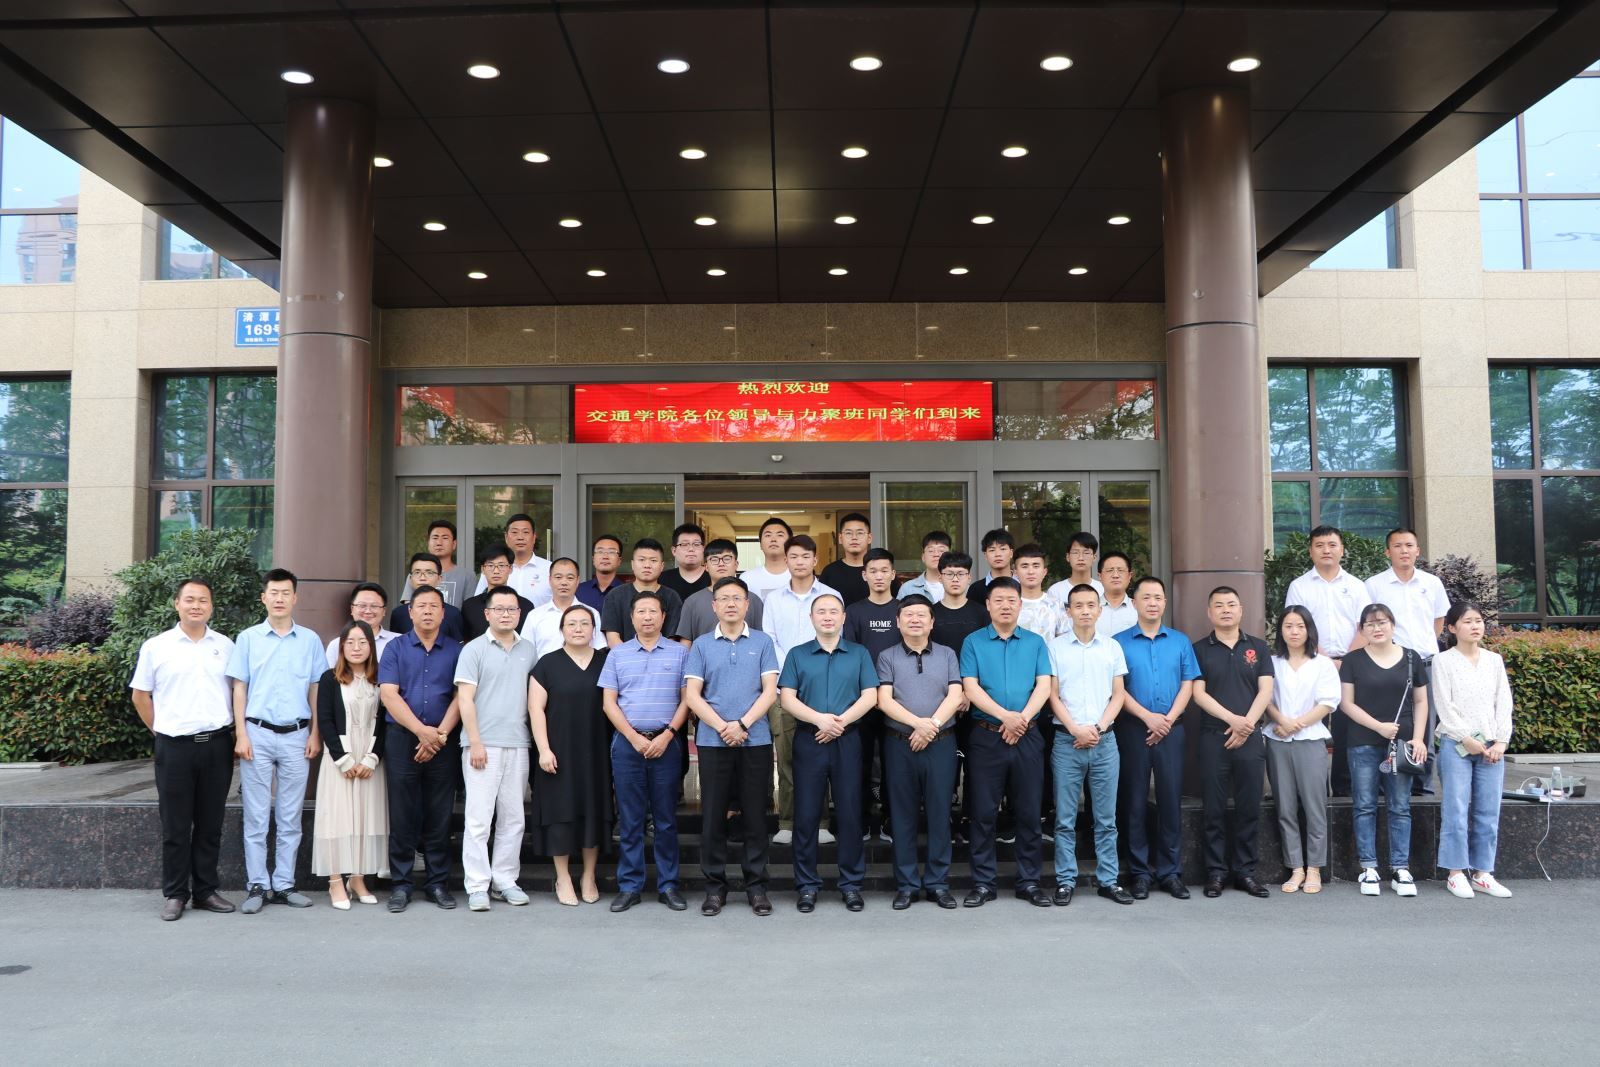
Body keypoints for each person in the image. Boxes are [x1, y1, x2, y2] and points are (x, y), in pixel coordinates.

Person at [130, 577, 238, 921]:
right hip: (174, 747)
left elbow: (237, 691)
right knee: (175, 826)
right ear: (177, 604)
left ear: (211, 606)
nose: (196, 606)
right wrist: (162, 730)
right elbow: (140, 696)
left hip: (217, 745)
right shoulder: (156, 646)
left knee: (210, 823)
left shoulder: (225, 645)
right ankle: (175, 893)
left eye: (203, 600)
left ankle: (205, 891)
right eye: (189, 599)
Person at [228, 568, 326, 915]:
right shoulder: (248, 638)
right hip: (257, 734)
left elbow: (316, 689)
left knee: (290, 816)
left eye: (286, 593)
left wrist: (315, 732)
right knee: (256, 815)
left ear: (295, 598)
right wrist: (241, 733)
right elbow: (239, 687)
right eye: (274, 592)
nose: (280, 598)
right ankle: (258, 884)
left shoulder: (310, 640)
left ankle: (284, 884)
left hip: (297, 736)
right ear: (264, 598)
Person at [685, 576, 781, 917]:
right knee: (713, 816)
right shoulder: (701, 645)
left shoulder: (762, 642)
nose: (730, 604)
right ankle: (715, 888)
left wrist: (741, 725)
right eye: (723, 598)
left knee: (755, 815)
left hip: (754, 740)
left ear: (747, 605)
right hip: (713, 741)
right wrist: (722, 726)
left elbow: (769, 691)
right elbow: (692, 695)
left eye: (736, 598)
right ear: (714, 606)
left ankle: (756, 887)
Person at [780, 593, 879, 913]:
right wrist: (819, 720)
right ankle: (807, 885)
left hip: (847, 740)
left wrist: (839, 723)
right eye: (820, 611)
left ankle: (851, 885)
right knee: (806, 815)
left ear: (843, 618)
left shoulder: (859, 653)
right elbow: (787, 699)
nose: (827, 616)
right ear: (811, 618)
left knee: (850, 814)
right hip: (809, 739)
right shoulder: (797, 654)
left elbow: (870, 696)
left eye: (833, 611)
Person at [959, 577, 1054, 909]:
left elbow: (1044, 685)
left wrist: (1021, 719)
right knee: (983, 813)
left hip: (1028, 735)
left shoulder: (1035, 642)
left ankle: (1029, 881)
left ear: (1020, 605)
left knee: (1029, 812)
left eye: (1011, 600)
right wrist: (1005, 717)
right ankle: (983, 883)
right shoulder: (973, 642)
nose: (1005, 606)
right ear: (987, 605)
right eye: (998, 600)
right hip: (986, 736)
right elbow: (970, 687)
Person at [600, 592, 691, 912]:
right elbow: (609, 702)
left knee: (666, 819)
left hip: (666, 742)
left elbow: (687, 700)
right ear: (632, 617)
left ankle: (668, 885)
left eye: (653, 611)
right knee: (630, 819)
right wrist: (632, 737)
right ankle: (630, 886)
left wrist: (668, 735)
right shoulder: (618, 654)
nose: (647, 617)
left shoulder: (680, 654)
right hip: (627, 744)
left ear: (664, 617)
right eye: (641, 611)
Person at [1112, 576, 1201, 900]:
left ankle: (1170, 872)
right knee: (1134, 802)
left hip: (1171, 731)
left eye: (1158, 597)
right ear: (1134, 602)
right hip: (1133, 730)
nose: (1152, 603)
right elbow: (1116, 689)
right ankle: (1139, 873)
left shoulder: (1180, 641)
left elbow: (1189, 683)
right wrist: (1147, 717)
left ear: (1164, 603)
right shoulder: (1118, 643)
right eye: (1146, 597)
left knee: (1170, 801)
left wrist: (1168, 719)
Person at [377, 585, 461, 912]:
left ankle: (437, 883)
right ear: (410, 612)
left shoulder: (455, 650)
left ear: (443, 613)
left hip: (443, 740)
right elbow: (389, 695)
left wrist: (437, 736)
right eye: (421, 606)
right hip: (402, 739)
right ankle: (401, 884)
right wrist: (421, 732)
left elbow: (461, 697)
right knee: (402, 814)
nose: (427, 611)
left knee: (439, 815)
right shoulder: (395, 648)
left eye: (433, 606)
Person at [1046, 584, 1132, 906]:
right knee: (1064, 819)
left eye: (1090, 605)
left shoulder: (1112, 647)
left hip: (1104, 742)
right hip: (1066, 741)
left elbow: (1118, 694)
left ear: (1099, 610)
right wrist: (1075, 729)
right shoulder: (1055, 648)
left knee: (1106, 819)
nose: (1084, 610)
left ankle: (1108, 880)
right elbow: (1052, 694)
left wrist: (1097, 728)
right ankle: (1065, 880)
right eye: (1078, 605)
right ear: (1068, 611)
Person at [876, 595, 963, 910]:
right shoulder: (887, 656)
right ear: (898, 622)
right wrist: (918, 725)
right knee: (902, 816)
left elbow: (956, 694)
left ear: (932, 621)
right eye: (908, 615)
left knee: (940, 814)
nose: (915, 620)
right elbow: (883, 700)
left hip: (941, 743)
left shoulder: (947, 654)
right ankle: (907, 885)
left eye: (921, 615)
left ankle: (938, 884)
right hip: (900, 743)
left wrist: (932, 727)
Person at [455, 587, 538, 913]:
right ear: (487, 613)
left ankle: (505, 880)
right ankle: (477, 885)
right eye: (499, 608)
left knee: (513, 818)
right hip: (482, 745)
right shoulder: (473, 649)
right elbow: (465, 699)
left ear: (519, 613)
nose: (506, 614)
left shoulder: (528, 649)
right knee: (478, 819)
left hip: (518, 742)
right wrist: (475, 742)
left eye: (512, 609)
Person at [1339, 603, 1429, 898]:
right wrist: (1378, 727)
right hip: (1363, 741)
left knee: (1400, 806)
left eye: (1382, 622)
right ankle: (1368, 867)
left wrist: (1419, 738)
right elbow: (1346, 703)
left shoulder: (1412, 658)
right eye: (1370, 624)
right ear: (1361, 629)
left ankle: (1400, 868)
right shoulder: (1353, 660)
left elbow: (1421, 701)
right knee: (1364, 805)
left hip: (1402, 744)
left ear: (1393, 625)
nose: (1377, 628)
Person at [1191, 586, 1276, 900]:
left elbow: (1265, 690)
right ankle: (1215, 872)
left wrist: (1246, 725)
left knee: (1249, 807)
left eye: (1231, 604)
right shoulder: (1199, 649)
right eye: (1219, 605)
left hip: (1250, 737)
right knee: (1213, 809)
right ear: (1209, 612)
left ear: (1241, 610)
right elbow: (1198, 694)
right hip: (1213, 736)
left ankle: (1246, 872)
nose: (1225, 610)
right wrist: (1233, 720)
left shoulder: (1258, 647)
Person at [528, 604, 612, 906]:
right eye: (572, 623)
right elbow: (535, 708)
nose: (578, 629)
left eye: (584, 623)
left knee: (594, 809)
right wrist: (544, 749)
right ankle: (562, 877)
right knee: (559, 812)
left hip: (597, 749)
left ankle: (589, 875)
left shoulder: (606, 662)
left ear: (594, 630)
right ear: (562, 629)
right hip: (558, 750)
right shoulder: (547, 664)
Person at [1432, 601, 1515, 899]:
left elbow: (1503, 702)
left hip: (1492, 745)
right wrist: (1465, 737)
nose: (1475, 626)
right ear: (1452, 628)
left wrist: (1502, 741)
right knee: (1455, 808)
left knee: (1488, 810)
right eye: (1467, 621)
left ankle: (1483, 873)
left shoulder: (1494, 660)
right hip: (1456, 744)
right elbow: (1444, 704)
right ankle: (1455, 873)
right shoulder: (1443, 661)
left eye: (1478, 620)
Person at [762, 534, 841, 846]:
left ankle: (821, 822)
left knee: (820, 759)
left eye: (805, 556)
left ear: (815, 560)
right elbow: (769, 639)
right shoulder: (774, 599)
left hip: (821, 687)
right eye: (793, 556)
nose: (799, 562)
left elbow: (834, 637)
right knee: (786, 758)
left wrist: (808, 670)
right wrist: (793, 670)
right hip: (783, 689)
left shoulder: (831, 595)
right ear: (786, 560)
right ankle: (787, 821)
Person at [1285, 524, 1372, 794]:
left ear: (1342, 550)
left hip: (1351, 663)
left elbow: (1365, 626)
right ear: (1310, 551)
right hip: (1312, 663)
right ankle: (1315, 788)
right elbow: (1296, 626)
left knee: (1348, 727)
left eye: (1332, 545)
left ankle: (1344, 788)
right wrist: (1326, 661)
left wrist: (1345, 660)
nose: (1326, 550)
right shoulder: (1299, 586)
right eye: (1320, 545)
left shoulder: (1356, 586)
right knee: (1313, 726)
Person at [1367, 527, 1452, 796]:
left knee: (1425, 725)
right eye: (1397, 546)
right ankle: (1388, 784)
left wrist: (1423, 648)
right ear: (1387, 552)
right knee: (1391, 722)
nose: (1404, 550)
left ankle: (1422, 787)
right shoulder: (1374, 585)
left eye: (1409, 545)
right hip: (1390, 664)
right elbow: (1370, 623)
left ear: (1418, 550)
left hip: (1426, 663)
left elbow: (1439, 620)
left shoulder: (1432, 583)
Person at [312, 620, 388, 910]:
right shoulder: (330, 678)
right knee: (337, 818)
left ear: (371, 647)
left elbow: (385, 722)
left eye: (363, 642)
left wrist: (371, 757)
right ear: (341, 647)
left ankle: (357, 879)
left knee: (365, 817)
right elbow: (326, 720)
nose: (356, 648)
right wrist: (343, 759)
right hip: (339, 758)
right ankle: (335, 881)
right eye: (350, 642)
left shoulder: (380, 679)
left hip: (369, 757)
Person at [1264, 605, 1339, 894]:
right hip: (1278, 740)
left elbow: (1328, 702)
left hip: (1310, 740)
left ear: (1309, 630)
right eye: (1288, 626)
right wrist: (1281, 721)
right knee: (1285, 807)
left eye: (1300, 626)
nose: (1294, 631)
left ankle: (1315, 868)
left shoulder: (1323, 664)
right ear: (1281, 631)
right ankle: (1295, 867)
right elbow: (1265, 698)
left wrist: (1295, 724)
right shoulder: (1272, 663)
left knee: (1314, 806)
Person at [843, 547, 901, 841]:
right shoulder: (854, 611)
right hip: (862, 701)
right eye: (873, 571)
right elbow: (851, 655)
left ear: (893, 574)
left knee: (894, 763)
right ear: (864, 575)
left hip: (899, 701)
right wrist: (870, 693)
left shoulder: (903, 609)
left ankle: (891, 819)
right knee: (861, 762)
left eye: (884, 571)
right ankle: (863, 820)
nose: (879, 576)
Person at [677, 537, 764, 641]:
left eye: (727, 558)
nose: (721, 563)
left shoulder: (753, 600)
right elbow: (686, 642)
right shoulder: (692, 602)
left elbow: (761, 639)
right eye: (714, 559)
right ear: (706, 567)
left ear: (736, 564)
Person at [601, 538, 684, 647]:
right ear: (632, 564)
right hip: (624, 656)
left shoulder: (672, 597)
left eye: (653, 560)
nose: (647, 565)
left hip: (663, 657)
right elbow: (612, 638)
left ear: (662, 566)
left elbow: (671, 639)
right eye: (641, 560)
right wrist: (632, 656)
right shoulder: (615, 596)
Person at [521, 556, 604, 658]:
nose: (564, 583)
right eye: (558, 577)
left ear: (577, 581)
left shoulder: (591, 613)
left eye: (570, 578)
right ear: (549, 580)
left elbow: (598, 649)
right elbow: (525, 653)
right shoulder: (534, 616)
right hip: (544, 668)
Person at [472, 512, 552, 606]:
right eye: (514, 532)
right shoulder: (493, 569)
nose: (520, 537)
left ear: (534, 537)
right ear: (506, 537)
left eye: (526, 532)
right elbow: (478, 603)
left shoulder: (550, 569)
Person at [459, 543, 535, 641]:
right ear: (482, 569)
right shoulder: (470, 606)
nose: (496, 571)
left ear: (510, 568)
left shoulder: (525, 605)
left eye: (501, 565)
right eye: (490, 565)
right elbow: (466, 641)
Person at [390, 552, 467, 642]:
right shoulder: (398, 614)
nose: (422, 578)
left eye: (429, 573)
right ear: (410, 579)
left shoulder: (453, 613)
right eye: (417, 572)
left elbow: (457, 647)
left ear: (439, 579)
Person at [324, 581, 400, 669]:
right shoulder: (337, 644)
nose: (368, 611)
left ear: (384, 611)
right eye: (362, 605)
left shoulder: (400, 642)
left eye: (374, 606)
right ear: (352, 609)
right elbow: (330, 675)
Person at [821, 512, 890, 606]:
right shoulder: (829, 572)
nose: (854, 538)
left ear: (869, 538)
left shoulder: (881, 572)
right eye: (848, 533)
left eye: (860, 533)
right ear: (840, 538)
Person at [929, 551, 990, 654]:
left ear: (969, 577)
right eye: (949, 574)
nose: (955, 579)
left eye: (961, 574)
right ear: (940, 577)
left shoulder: (982, 613)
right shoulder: (930, 613)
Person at [399, 519, 467, 607]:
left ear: (454, 544)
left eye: (445, 538)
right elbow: (407, 606)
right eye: (435, 538)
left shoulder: (466, 575)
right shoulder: (416, 574)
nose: (439, 543)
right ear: (428, 542)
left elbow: (469, 608)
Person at [1014, 543, 1067, 642]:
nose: (1031, 572)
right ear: (1016, 573)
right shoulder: (1010, 604)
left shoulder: (1056, 604)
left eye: (1036, 566)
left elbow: (1063, 641)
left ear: (1044, 572)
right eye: (1024, 566)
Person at [739, 516, 794, 601]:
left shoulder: (799, 577)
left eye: (780, 535)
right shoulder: (747, 579)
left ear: (790, 543)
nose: (773, 539)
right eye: (768, 535)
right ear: (760, 544)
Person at [1046, 531, 1104, 602]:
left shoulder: (1103, 589)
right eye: (1075, 553)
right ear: (1068, 557)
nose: (1081, 558)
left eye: (1086, 553)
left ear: (1094, 557)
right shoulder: (1055, 591)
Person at [660, 522, 710, 602]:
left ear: (703, 549)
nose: (691, 549)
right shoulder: (661, 580)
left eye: (696, 544)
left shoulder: (713, 578)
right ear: (674, 551)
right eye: (684, 544)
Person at [898, 530, 951, 604]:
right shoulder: (908, 588)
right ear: (923, 557)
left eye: (941, 550)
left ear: (950, 556)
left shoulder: (962, 586)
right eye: (931, 551)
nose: (936, 554)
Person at [577, 533, 626, 612]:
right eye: (600, 551)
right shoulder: (578, 590)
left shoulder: (627, 593)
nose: (605, 557)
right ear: (593, 559)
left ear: (619, 561)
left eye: (611, 552)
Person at [1096, 551, 1138, 638]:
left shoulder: (1139, 608)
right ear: (1100, 576)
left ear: (1129, 576)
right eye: (1110, 570)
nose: (1115, 575)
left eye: (1120, 570)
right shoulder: (1089, 609)